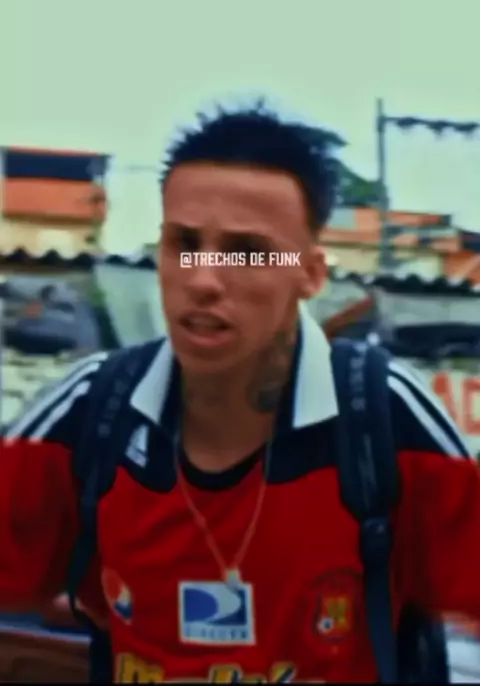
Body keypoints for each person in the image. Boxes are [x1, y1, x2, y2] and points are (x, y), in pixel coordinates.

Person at [1, 102, 480, 684]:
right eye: (184, 243)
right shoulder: (90, 413)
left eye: (247, 251)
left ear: (310, 273)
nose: (203, 278)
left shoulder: (385, 416)